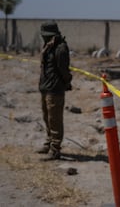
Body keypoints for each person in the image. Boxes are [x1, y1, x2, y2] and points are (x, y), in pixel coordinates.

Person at [37, 21, 72, 160]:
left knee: (55, 120)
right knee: (47, 118)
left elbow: (64, 70)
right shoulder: (48, 46)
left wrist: (67, 81)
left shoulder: (61, 48)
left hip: (55, 90)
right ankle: (48, 142)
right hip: (45, 87)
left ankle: (55, 149)